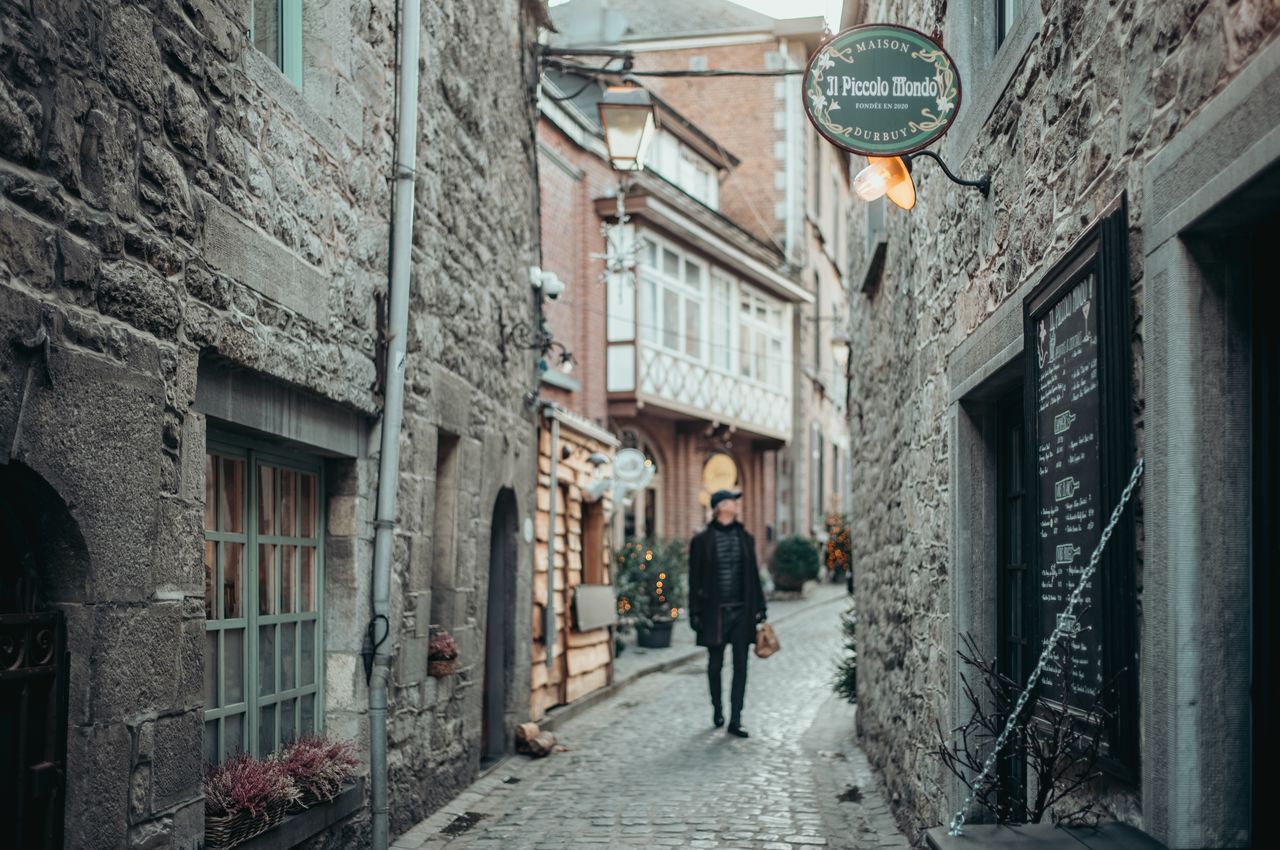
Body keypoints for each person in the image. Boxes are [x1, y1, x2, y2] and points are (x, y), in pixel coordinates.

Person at [688, 488, 767, 738]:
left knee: (741, 667)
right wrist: (694, 613)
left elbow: (753, 576)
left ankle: (736, 719)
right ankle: (717, 709)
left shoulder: (746, 538)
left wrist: (760, 608)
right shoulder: (701, 541)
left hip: (742, 612)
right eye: (732, 501)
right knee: (715, 665)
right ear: (720, 506)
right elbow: (694, 580)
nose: (736, 504)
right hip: (715, 613)